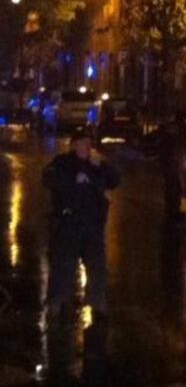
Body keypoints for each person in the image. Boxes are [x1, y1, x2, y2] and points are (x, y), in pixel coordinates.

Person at [43, 129, 120, 323]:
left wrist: (102, 166)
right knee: (64, 263)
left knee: (96, 265)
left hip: (92, 224)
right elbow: (49, 179)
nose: (87, 148)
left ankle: (97, 302)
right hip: (69, 222)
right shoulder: (62, 163)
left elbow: (115, 180)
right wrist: (72, 178)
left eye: (89, 144)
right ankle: (57, 302)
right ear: (74, 145)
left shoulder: (96, 166)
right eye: (83, 144)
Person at [155, 111, 186, 220]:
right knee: (174, 187)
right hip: (172, 162)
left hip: (172, 162)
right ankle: (173, 211)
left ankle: (172, 210)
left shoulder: (174, 129)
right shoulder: (179, 130)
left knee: (173, 187)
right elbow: (185, 144)